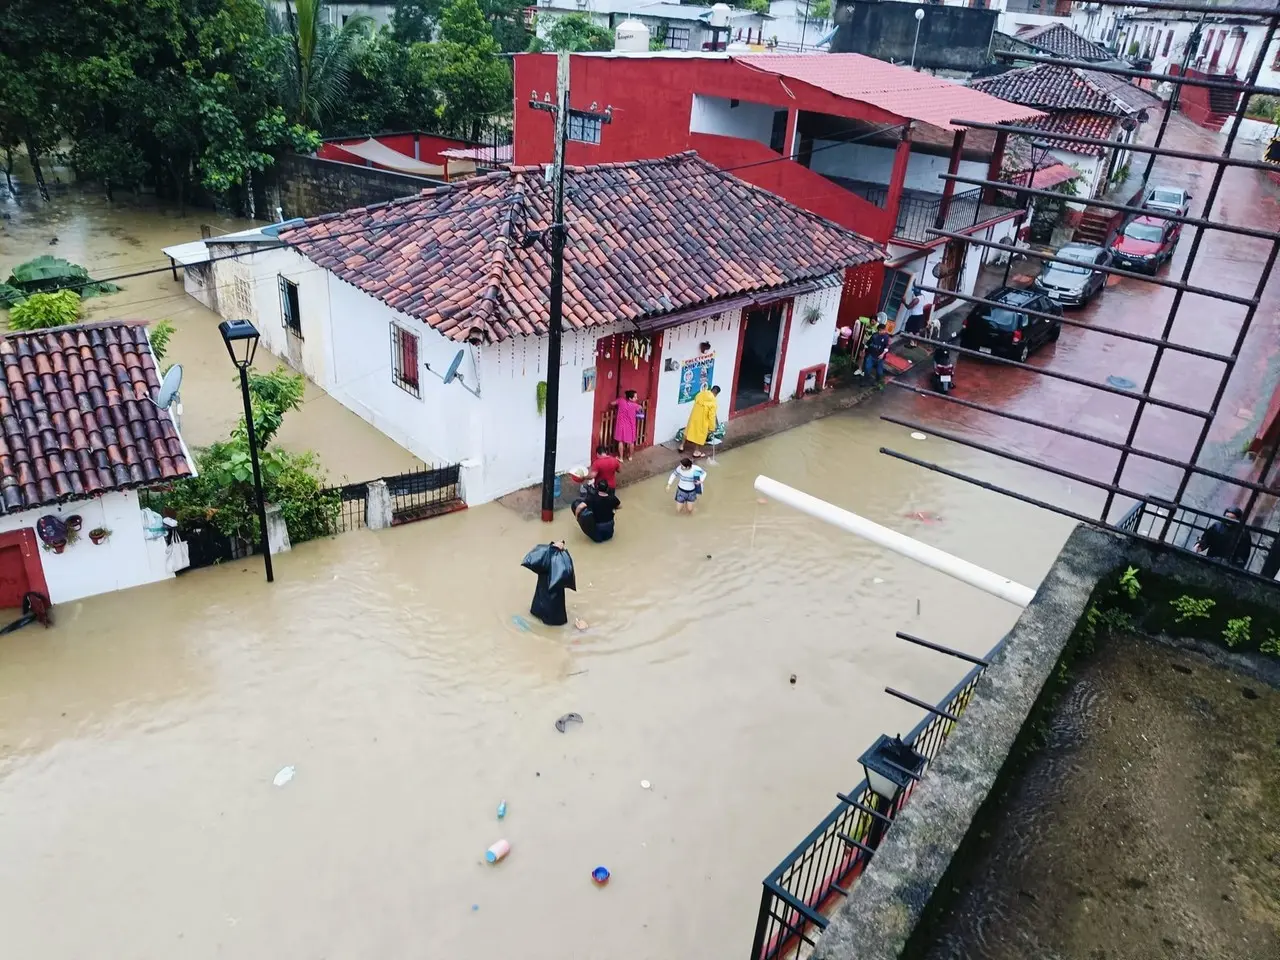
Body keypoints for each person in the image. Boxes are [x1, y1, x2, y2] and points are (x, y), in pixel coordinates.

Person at [521, 541, 577, 626]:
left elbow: (537, 558)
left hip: (540, 605)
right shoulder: (557, 571)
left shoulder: (544, 563)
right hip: (552, 611)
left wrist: (552, 548)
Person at [572, 479, 621, 543]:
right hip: (609, 525)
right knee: (608, 539)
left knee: (598, 540)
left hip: (598, 526)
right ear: (607, 488)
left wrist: (577, 516)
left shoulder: (592, 498)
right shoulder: (613, 498)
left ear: (597, 488)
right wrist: (613, 508)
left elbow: (580, 507)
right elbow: (619, 506)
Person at [680, 384, 720, 458]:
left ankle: (681, 446)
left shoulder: (701, 393)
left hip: (694, 415)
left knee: (688, 430)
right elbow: (711, 416)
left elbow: (695, 399)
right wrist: (712, 428)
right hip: (703, 420)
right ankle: (696, 451)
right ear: (716, 393)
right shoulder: (713, 402)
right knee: (700, 435)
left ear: (711, 389)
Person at [612, 389, 644, 461]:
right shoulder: (635, 406)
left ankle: (620, 458)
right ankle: (630, 457)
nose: (637, 398)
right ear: (630, 398)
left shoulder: (621, 401)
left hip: (621, 426)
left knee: (620, 441)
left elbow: (612, 403)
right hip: (631, 426)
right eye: (635, 397)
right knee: (631, 442)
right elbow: (641, 409)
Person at [864, 322, 891, 388]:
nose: (880, 332)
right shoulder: (874, 335)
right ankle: (864, 381)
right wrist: (864, 350)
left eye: (881, 330)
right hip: (871, 355)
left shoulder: (886, 338)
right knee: (867, 369)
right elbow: (868, 343)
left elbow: (887, 347)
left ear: (884, 330)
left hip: (880, 358)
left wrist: (882, 354)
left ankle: (877, 381)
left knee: (879, 372)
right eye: (879, 330)